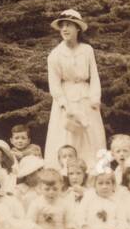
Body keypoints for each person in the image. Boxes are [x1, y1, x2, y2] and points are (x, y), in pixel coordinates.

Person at [44, 9, 107, 166]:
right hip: (65, 100)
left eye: (68, 25)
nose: (64, 29)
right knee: (67, 134)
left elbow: (94, 75)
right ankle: (65, 172)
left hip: (86, 97)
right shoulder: (55, 55)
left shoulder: (87, 50)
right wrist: (65, 105)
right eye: (62, 26)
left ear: (78, 28)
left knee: (92, 134)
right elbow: (54, 85)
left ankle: (94, 171)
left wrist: (95, 98)